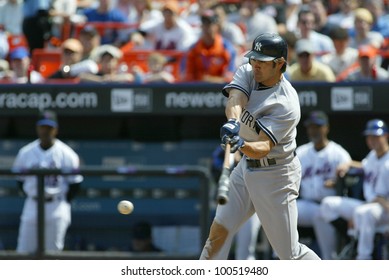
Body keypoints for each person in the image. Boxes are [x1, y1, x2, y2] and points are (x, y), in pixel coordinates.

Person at [199, 33, 320, 260]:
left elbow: (264, 146)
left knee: (289, 255)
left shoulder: (286, 102)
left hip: (276, 174)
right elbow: (235, 98)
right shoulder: (248, 71)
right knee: (218, 234)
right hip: (245, 169)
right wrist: (233, 122)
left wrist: (241, 143)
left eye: (262, 62)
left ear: (280, 64)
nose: (255, 65)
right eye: (253, 59)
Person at [13, 110, 83, 254]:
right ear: (37, 128)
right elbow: (19, 182)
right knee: (23, 253)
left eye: (49, 128)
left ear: (55, 130)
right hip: (33, 203)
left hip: (56, 206)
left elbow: (75, 185)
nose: (45, 131)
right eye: (43, 127)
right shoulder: (25, 152)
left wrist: (62, 201)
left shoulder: (67, 154)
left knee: (53, 255)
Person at [320, 119, 389, 259]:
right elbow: (364, 165)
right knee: (328, 204)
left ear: (386, 136)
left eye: (376, 136)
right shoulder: (373, 156)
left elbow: (382, 199)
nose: (372, 140)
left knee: (363, 213)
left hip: (384, 210)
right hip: (370, 206)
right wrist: (348, 164)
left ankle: (363, 257)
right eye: (369, 137)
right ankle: (353, 237)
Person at [296, 111, 352, 259]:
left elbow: (351, 175)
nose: (314, 131)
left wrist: (338, 181)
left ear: (326, 128)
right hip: (306, 204)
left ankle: (329, 260)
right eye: (311, 127)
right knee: (282, 210)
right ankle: (279, 256)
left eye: (317, 127)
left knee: (321, 213)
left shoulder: (338, 153)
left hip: (327, 207)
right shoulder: (301, 152)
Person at [185, 9, 236, 83]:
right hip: (197, 90)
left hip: (220, 91)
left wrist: (209, 80)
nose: (207, 27)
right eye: (204, 24)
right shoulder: (193, 49)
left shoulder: (227, 48)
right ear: (201, 26)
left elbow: (230, 78)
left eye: (210, 24)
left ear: (217, 26)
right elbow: (188, 77)